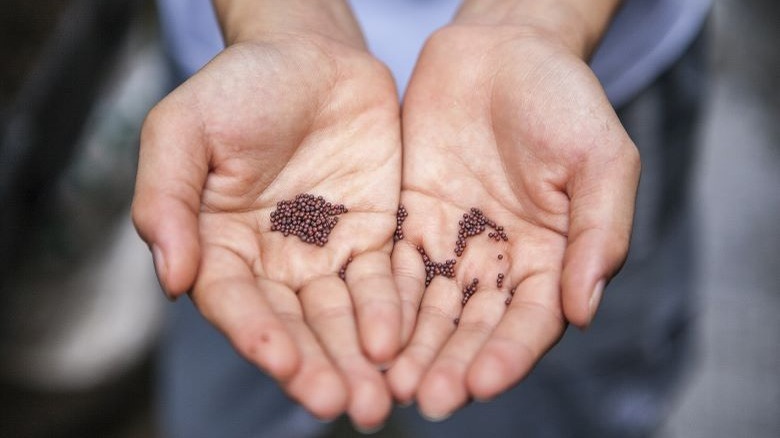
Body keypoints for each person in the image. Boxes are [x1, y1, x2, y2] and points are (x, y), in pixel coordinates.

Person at [132, 0, 711, 436]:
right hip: (260, 113)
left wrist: (534, 17)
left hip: (571, 97)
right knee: (248, 355)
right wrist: (279, 17)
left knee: (551, 400)